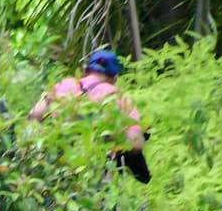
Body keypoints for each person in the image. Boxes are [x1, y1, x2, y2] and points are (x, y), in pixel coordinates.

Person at [28, 48, 149, 181]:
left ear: (85, 71)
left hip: (57, 167)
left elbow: (35, 114)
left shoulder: (65, 85)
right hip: (97, 173)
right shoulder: (120, 98)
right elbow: (135, 144)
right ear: (114, 78)